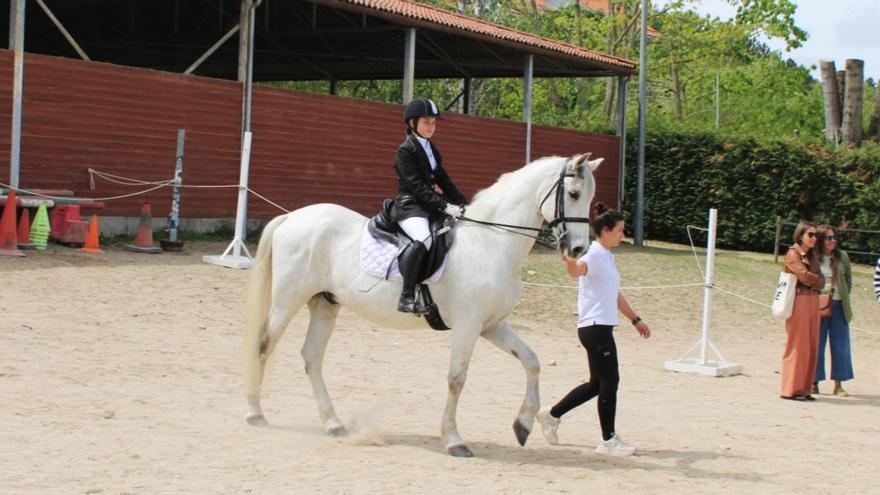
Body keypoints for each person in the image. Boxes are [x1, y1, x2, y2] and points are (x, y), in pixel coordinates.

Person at [536, 203, 651, 457]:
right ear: (606, 231)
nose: (623, 233)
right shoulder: (594, 255)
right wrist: (568, 258)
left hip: (600, 328)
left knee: (597, 384)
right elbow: (577, 271)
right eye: (620, 230)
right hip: (595, 329)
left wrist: (635, 319)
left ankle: (551, 415)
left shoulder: (607, 257)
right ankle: (608, 440)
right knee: (611, 382)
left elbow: (614, 294)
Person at [389, 98, 468, 314]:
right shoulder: (405, 150)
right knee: (423, 238)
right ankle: (406, 296)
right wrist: (444, 206)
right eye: (427, 122)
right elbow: (416, 187)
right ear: (412, 123)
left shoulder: (431, 148)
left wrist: (464, 204)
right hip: (410, 206)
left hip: (428, 205)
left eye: (434, 123)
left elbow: (445, 181)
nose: (431, 127)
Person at [780, 221, 824, 401]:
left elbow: (822, 280)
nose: (814, 238)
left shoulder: (812, 256)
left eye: (816, 235)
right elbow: (804, 276)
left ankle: (805, 388)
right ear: (801, 235)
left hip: (813, 300)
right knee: (798, 344)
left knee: (812, 345)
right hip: (799, 300)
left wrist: (814, 280)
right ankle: (791, 389)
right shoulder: (792, 254)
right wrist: (815, 279)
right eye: (810, 235)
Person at [811, 226, 854, 397]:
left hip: (839, 306)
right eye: (829, 238)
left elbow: (848, 280)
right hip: (818, 306)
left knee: (841, 346)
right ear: (821, 240)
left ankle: (838, 384)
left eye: (834, 237)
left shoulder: (843, 256)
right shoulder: (814, 257)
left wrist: (840, 294)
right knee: (817, 345)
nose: (833, 240)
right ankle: (814, 382)